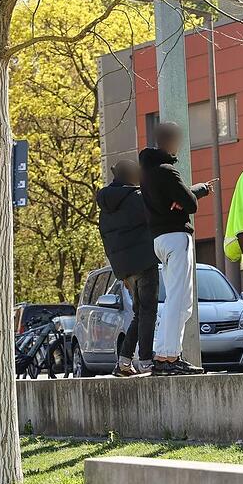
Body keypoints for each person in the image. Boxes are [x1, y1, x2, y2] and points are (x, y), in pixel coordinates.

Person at [139, 122, 216, 376]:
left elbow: (184, 199)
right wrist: (191, 196)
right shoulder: (168, 171)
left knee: (174, 299)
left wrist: (188, 195)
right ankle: (169, 358)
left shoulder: (147, 172)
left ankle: (165, 353)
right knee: (180, 301)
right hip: (176, 237)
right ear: (172, 142)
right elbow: (190, 204)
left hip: (158, 240)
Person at [97, 159, 160, 377]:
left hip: (125, 269)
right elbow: (162, 207)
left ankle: (124, 362)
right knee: (148, 311)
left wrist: (120, 272)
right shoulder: (137, 198)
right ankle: (145, 361)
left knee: (139, 313)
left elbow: (106, 239)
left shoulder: (105, 206)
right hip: (144, 261)